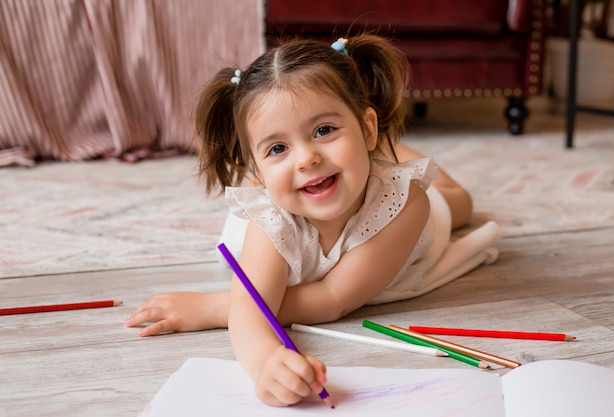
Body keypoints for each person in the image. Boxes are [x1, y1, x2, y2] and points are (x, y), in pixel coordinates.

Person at [125, 34, 501, 407]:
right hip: (301, 190)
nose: (306, 158)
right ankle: (336, 148)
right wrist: (266, 363)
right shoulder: (269, 220)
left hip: (401, 224)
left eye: (324, 130)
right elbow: (252, 315)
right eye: (278, 147)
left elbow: (331, 298)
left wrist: (213, 307)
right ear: (254, 166)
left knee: (458, 201)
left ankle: (386, 149)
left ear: (368, 126)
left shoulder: (406, 202)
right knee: (293, 177)